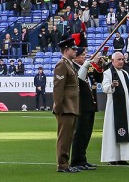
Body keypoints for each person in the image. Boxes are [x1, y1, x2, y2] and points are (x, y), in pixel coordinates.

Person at [101, 51, 129, 165]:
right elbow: (105, 88)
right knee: (112, 131)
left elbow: (128, 92)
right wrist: (111, 85)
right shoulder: (108, 73)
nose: (121, 62)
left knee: (124, 131)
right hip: (113, 109)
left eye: (122, 59)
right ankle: (112, 157)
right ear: (113, 61)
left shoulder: (125, 73)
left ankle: (123, 157)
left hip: (125, 108)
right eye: (119, 60)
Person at [52, 35, 80, 173]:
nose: (76, 51)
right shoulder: (62, 65)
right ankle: (62, 164)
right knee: (64, 137)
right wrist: (58, 107)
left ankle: (65, 163)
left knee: (68, 137)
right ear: (66, 50)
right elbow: (58, 88)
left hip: (71, 107)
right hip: (65, 107)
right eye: (73, 49)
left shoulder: (69, 64)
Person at [71, 46, 102, 171]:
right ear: (76, 57)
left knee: (87, 134)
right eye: (83, 55)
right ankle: (76, 160)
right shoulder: (74, 68)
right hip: (81, 105)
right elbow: (79, 79)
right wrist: (90, 63)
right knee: (80, 133)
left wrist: (98, 64)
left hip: (90, 104)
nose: (85, 57)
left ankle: (83, 159)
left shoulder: (87, 66)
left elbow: (98, 78)